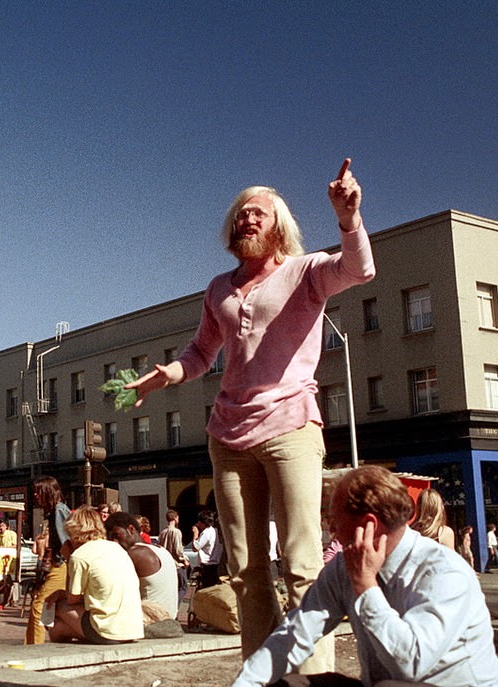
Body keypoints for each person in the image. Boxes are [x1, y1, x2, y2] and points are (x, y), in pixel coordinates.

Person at [127, 159, 376, 667]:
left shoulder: (306, 272)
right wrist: (168, 375)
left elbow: (359, 269)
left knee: (303, 563)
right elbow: (201, 353)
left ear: (279, 224)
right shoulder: (219, 287)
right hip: (228, 434)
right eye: (241, 213)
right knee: (245, 567)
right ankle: (261, 674)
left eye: (258, 212)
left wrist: (348, 220)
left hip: (291, 426)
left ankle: (313, 676)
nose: (247, 219)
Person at [232, 465, 498, 687]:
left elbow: (410, 665)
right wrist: (248, 682)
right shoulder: (343, 567)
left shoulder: (444, 572)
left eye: (335, 522)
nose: (331, 531)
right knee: (291, 684)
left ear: (368, 525)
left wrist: (366, 586)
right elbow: (296, 632)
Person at [47, 506, 144, 644]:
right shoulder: (116, 548)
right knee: (57, 628)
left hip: (106, 630)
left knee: (60, 607)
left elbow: (71, 600)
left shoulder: (79, 556)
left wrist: (69, 558)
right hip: (132, 629)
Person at [105, 512, 181, 628]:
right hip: (168, 618)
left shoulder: (135, 553)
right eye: (110, 538)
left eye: (117, 535)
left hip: (148, 621)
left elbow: (111, 590)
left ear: (131, 529)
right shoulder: (160, 550)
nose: (114, 541)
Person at [24, 475, 71, 644]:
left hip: (61, 567)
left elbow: (65, 543)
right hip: (59, 566)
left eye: (38, 492)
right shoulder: (57, 510)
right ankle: (31, 645)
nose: (35, 496)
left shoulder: (58, 511)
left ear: (47, 491)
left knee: (39, 606)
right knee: (44, 606)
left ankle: (34, 648)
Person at [158, 509, 190, 602]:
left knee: (171, 589)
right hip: (177, 565)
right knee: (183, 588)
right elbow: (178, 549)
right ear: (175, 518)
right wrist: (184, 560)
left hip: (167, 565)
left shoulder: (162, 533)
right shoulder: (176, 532)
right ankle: (176, 606)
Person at [192, 511, 223, 589]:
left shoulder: (206, 532)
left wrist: (195, 533)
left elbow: (195, 547)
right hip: (215, 565)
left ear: (201, 523)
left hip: (207, 567)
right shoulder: (215, 531)